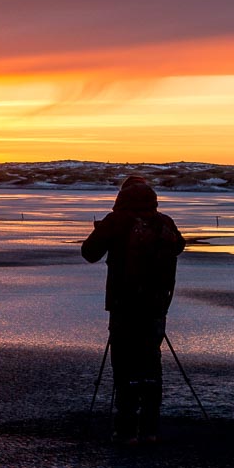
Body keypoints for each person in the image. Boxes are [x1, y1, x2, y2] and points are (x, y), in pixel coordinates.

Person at [81, 176, 185, 444]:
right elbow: (180, 247)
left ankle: (125, 429)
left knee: (124, 364)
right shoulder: (164, 221)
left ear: (122, 196)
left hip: (123, 305)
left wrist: (106, 229)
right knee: (151, 362)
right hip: (157, 305)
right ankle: (149, 428)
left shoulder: (117, 221)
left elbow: (89, 252)